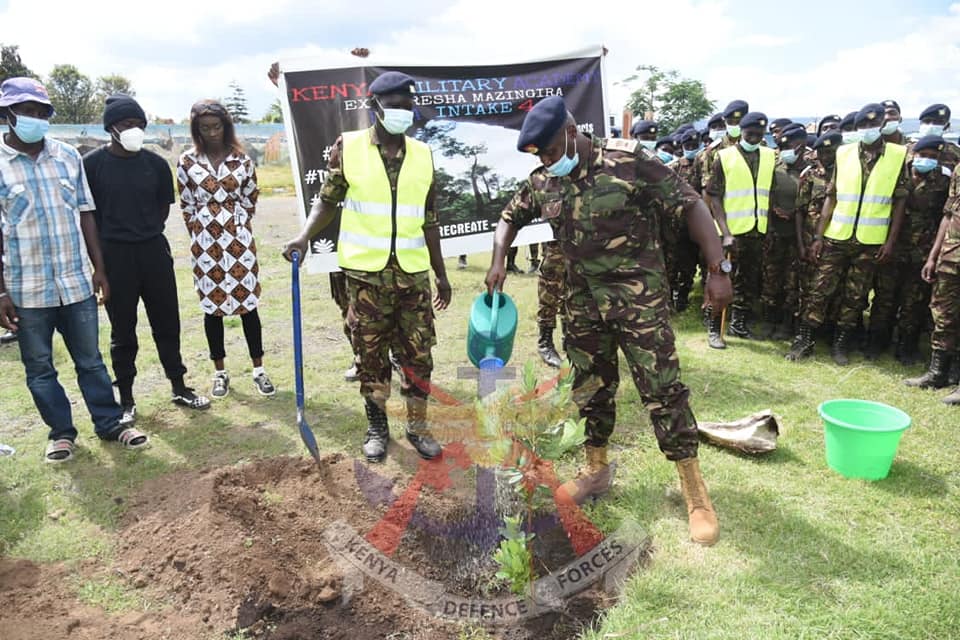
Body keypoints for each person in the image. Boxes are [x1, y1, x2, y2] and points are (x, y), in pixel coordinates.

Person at [485, 96, 733, 546]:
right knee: (590, 388)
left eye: (549, 151)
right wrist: (499, 258)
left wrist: (717, 270)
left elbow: (692, 204)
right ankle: (596, 470)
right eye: (538, 156)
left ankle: (693, 489)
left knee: (663, 389)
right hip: (582, 304)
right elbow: (509, 216)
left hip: (638, 300)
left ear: (570, 129)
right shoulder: (544, 180)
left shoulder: (629, 161)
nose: (546, 161)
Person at [282, 71, 451, 462]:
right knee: (370, 357)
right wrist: (304, 237)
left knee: (418, 356)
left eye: (408, 104)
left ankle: (418, 427)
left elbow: (429, 219)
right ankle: (377, 427)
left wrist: (441, 273)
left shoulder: (423, 155)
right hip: (365, 279)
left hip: (412, 277)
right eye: (394, 104)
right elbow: (327, 201)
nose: (402, 110)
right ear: (374, 106)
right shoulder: (350, 148)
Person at [0, 77, 147, 462]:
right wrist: (0, 292)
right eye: (27, 112)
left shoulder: (67, 157)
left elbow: (86, 216)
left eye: (42, 113)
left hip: (75, 280)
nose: (35, 119)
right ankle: (62, 433)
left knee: (91, 360)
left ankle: (111, 423)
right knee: (40, 367)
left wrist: (99, 269)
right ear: (8, 115)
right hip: (26, 288)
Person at [84, 95, 209, 425]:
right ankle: (125, 398)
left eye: (140, 125)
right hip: (114, 256)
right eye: (127, 125)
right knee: (123, 331)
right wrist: (100, 267)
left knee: (168, 322)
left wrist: (145, 231)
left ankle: (179, 386)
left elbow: (163, 208)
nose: (135, 130)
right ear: (111, 128)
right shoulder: (92, 165)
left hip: (153, 250)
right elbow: (89, 218)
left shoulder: (155, 164)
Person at [787, 103, 909, 364]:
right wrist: (819, 236)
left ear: (881, 127)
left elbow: (899, 203)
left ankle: (841, 345)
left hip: (871, 240)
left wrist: (890, 241)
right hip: (837, 236)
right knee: (820, 289)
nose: (867, 130)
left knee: (855, 296)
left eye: (872, 126)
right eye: (863, 126)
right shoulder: (844, 153)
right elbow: (831, 197)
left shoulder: (899, 156)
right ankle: (804, 339)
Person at [177, 100, 275, 399]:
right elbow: (186, 203)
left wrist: (237, 223)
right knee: (212, 308)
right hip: (205, 245)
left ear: (226, 126)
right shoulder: (187, 162)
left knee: (248, 306)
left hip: (239, 241)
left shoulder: (242, 160)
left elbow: (250, 196)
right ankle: (220, 372)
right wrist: (202, 228)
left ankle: (259, 370)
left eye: (217, 126)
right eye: (204, 128)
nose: (212, 133)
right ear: (197, 130)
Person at [706, 111, 777, 347]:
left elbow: (769, 192)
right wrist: (726, 232)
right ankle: (714, 329)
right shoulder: (724, 157)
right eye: (750, 133)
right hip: (730, 233)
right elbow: (714, 196)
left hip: (757, 230)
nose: (755, 137)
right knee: (721, 280)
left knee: (747, 281)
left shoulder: (769, 156)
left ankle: (738, 324)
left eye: (759, 133)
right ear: (741, 133)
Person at [889, 136, 950, 364]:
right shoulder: (898, 172)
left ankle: (907, 346)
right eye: (924, 155)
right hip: (893, 244)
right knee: (886, 295)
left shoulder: (943, 180)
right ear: (914, 153)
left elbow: (944, 215)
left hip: (922, 249)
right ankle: (877, 340)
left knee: (914, 300)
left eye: (933, 157)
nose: (928, 160)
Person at [904, 164, 960, 404]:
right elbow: (948, 215)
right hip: (951, 256)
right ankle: (937, 373)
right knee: (943, 314)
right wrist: (934, 256)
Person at [759, 124, 808, 340]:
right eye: (783, 145)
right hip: (776, 232)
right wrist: (772, 214)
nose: (785, 148)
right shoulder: (775, 168)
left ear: (802, 144)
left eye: (790, 144)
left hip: (799, 236)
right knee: (772, 278)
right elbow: (765, 195)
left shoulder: (811, 171)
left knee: (792, 281)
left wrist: (795, 213)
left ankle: (787, 324)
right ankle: (769, 321)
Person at [796, 131, 841, 329]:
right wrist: (801, 244)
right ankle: (804, 326)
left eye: (830, 152)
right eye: (821, 153)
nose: (826, 157)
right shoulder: (809, 175)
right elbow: (800, 211)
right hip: (810, 239)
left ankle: (829, 327)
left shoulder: (849, 174)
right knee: (808, 285)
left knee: (835, 287)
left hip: (838, 239)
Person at [536, 241, 565, 367]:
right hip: (555, 241)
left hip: (580, 236)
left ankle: (570, 340)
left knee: (576, 286)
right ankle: (545, 343)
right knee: (550, 287)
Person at [917, 104, 960, 171]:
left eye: (938, 122)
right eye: (927, 121)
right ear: (920, 124)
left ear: (946, 126)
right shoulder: (905, 150)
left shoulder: (956, 153)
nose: (931, 125)